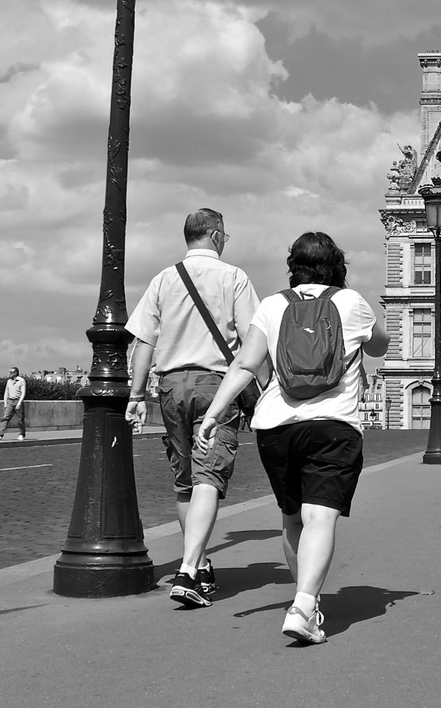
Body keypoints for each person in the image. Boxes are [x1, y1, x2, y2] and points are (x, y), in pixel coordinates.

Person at [197, 231, 388, 645]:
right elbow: (379, 347)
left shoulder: (272, 304)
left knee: (291, 516)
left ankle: (305, 600)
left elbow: (246, 363)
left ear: (293, 266)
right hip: (333, 424)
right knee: (320, 516)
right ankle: (303, 605)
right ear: (337, 266)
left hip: (275, 426)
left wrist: (213, 413)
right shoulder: (350, 303)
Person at [124, 208, 260, 609]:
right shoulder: (233, 277)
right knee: (208, 476)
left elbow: (144, 343)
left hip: (169, 386)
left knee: (184, 479)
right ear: (216, 235)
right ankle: (188, 572)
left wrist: (135, 396)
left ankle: (198, 563)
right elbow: (253, 342)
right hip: (215, 385)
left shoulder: (164, 279)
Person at [0, 367, 26, 441]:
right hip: (10, 401)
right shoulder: (9, 381)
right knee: (5, 417)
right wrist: (5, 403)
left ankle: (22, 433)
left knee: (20, 419)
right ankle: (0, 433)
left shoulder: (21, 381)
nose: (9, 374)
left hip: (17, 400)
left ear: (16, 373)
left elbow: (23, 392)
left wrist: (19, 403)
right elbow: (6, 392)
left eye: (11, 372)